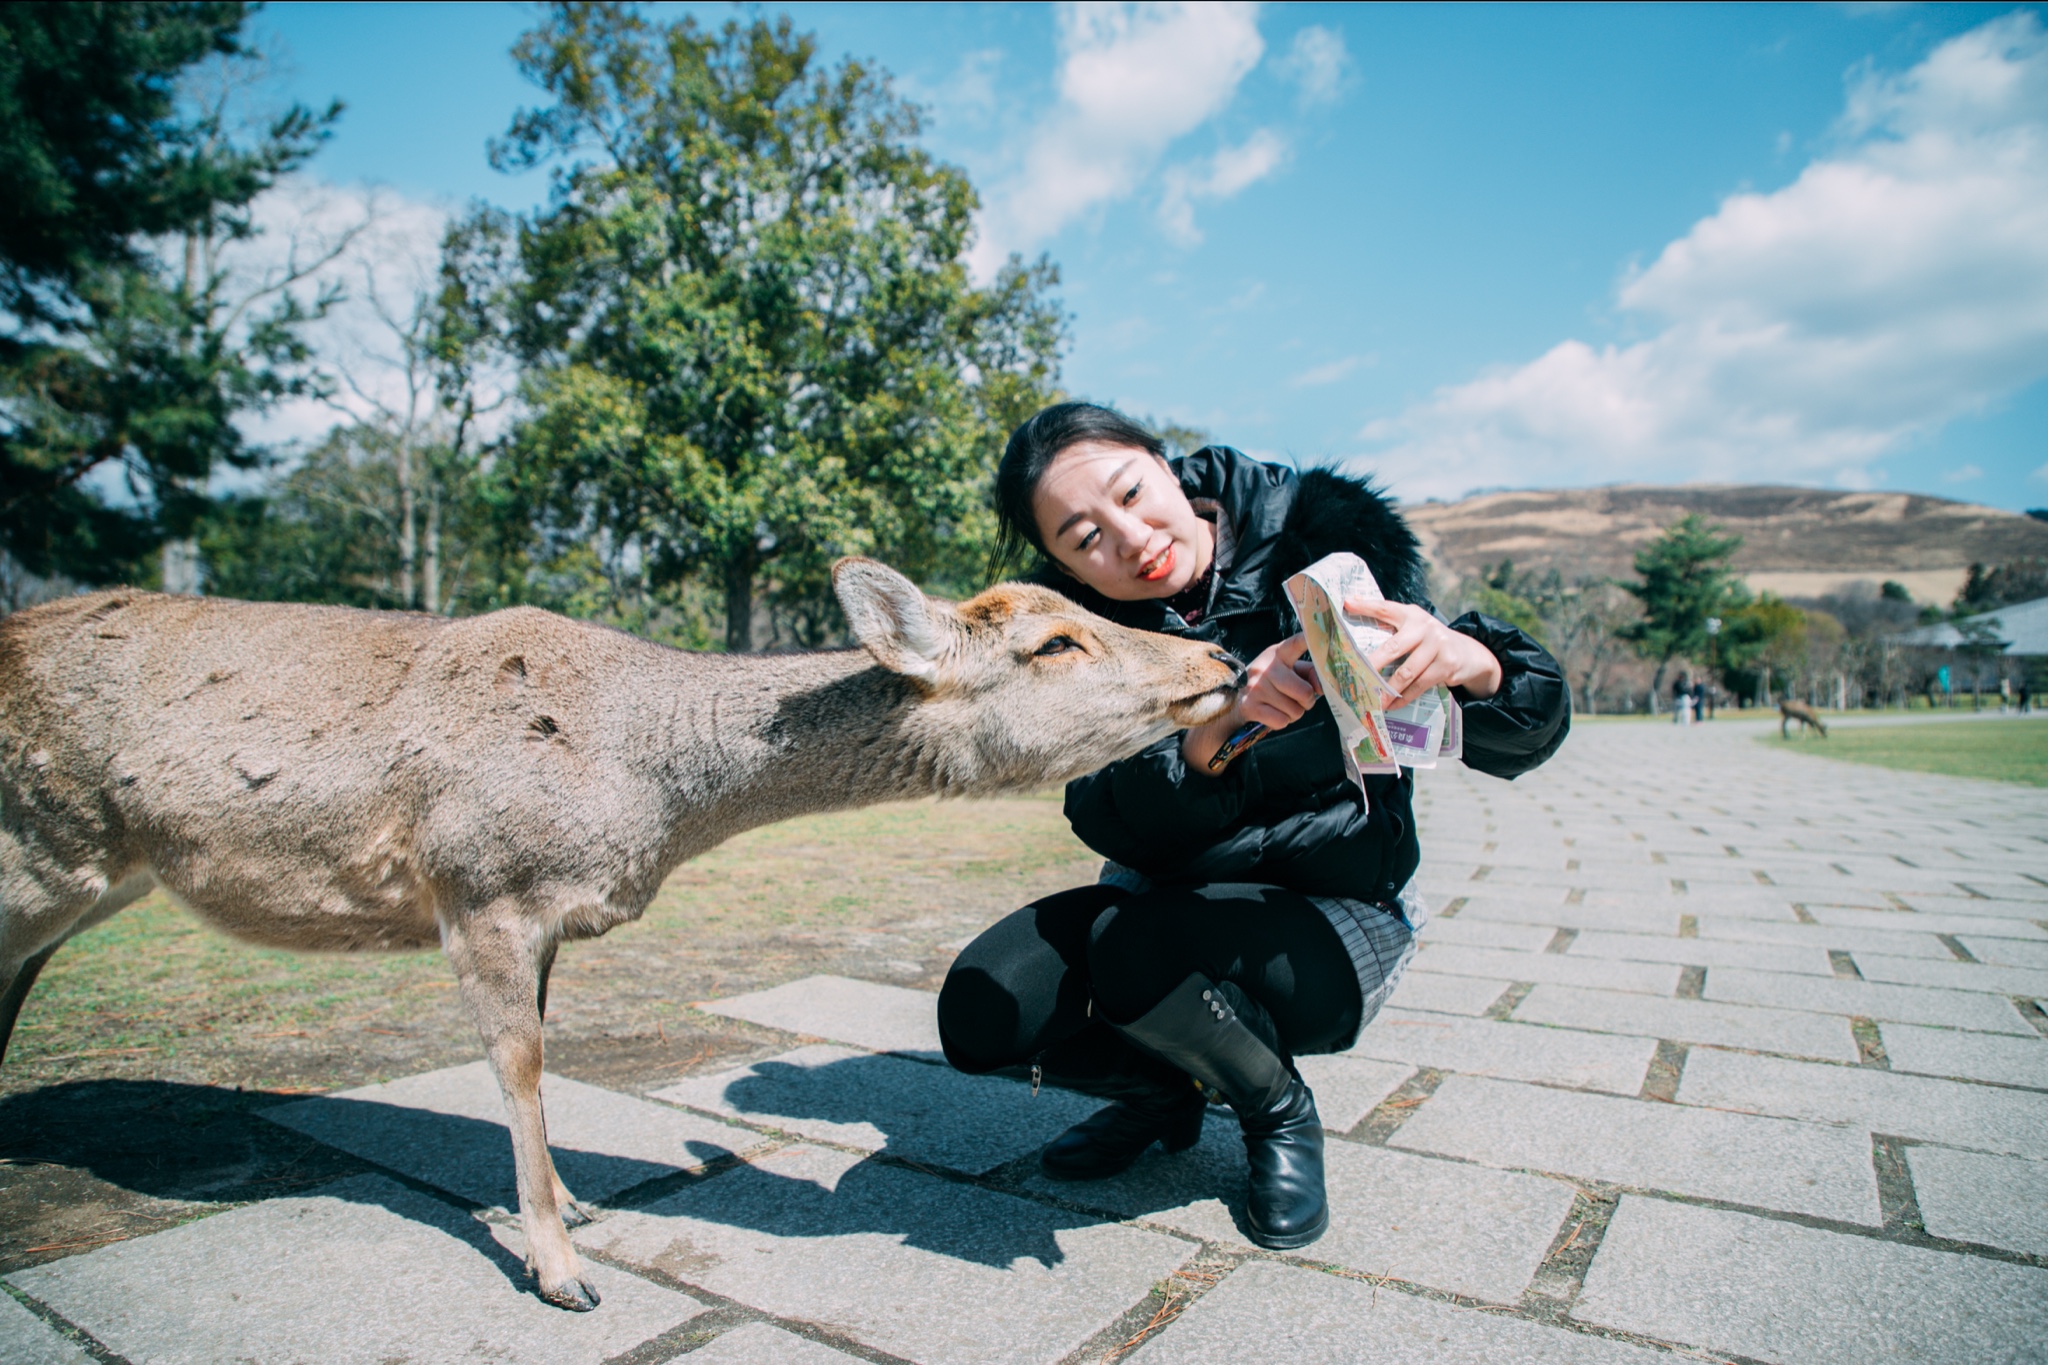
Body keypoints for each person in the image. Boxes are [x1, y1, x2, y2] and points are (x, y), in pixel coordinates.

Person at [935, 404, 1570, 1250]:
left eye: (1131, 492)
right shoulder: (1077, 642)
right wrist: (1205, 746)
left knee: (1133, 946)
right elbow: (1098, 812)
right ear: (1059, 564)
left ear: (1166, 466)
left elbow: (1528, 728)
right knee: (986, 1007)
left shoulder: (1325, 537)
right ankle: (1162, 1094)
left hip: (1334, 913)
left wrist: (1472, 664)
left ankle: (1277, 1111)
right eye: (1085, 538)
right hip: (1159, 905)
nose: (1129, 539)